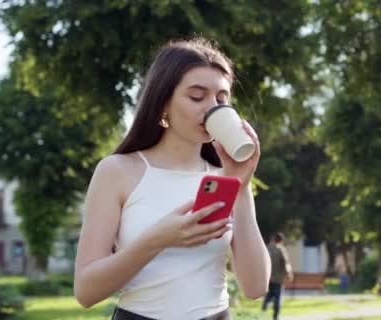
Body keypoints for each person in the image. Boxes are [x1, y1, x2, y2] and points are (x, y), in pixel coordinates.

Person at [73, 37, 271, 320]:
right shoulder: (117, 171)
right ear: (163, 103)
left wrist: (240, 188)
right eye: (196, 96)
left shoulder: (225, 178)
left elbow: (256, 286)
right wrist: (157, 239)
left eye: (222, 99)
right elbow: (86, 291)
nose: (212, 108)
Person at [262, 232, 293, 320]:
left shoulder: (268, 248)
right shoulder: (281, 250)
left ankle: (263, 312)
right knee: (277, 298)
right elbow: (286, 263)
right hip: (278, 279)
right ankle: (275, 317)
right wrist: (289, 275)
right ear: (281, 240)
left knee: (268, 296)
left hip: (268, 278)